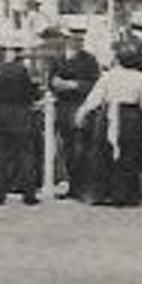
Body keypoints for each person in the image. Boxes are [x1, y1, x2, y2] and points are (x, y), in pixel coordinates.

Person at [75, 41, 142, 206]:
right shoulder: (140, 77)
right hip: (131, 118)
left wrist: (82, 112)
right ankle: (127, 194)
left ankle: (103, 193)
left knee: (104, 153)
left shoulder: (109, 76)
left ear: (118, 59)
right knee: (129, 154)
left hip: (109, 116)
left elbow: (95, 98)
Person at [0, 43, 43, 205]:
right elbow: (32, 94)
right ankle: (29, 195)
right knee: (25, 155)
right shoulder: (23, 70)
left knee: (1, 156)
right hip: (21, 116)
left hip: (1, 115)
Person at [47, 29, 101, 200]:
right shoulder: (57, 58)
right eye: (74, 39)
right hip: (62, 107)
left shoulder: (90, 60)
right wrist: (55, 85)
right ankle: (71, 184)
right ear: (67, 39)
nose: (77, 42)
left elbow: (95, 85)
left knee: (82, 147)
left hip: (81, 106)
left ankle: (82, 186)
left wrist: (72, 85)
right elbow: (50, 80)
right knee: (67, 147)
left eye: (80, 39)